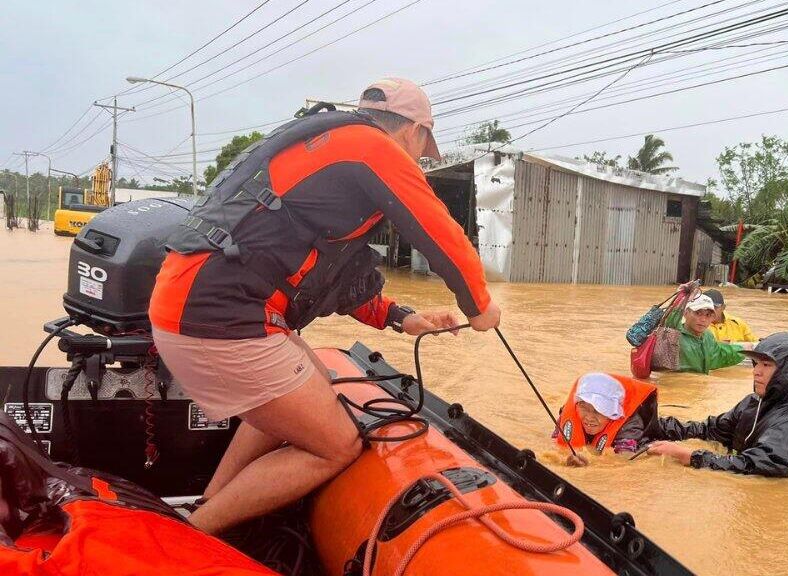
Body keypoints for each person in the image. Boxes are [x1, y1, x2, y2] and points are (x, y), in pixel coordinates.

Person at [148, 78, 501, 534]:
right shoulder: (372, 148)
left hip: (195, 306)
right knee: (336, 445)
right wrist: (480, 305)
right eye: (421, 147)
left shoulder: (329, 149)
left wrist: (400, 317)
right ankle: (193, 536)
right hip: (220, 316)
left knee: (311, 383)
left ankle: (210, 500)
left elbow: (329, 274)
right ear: (413, 132)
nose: (418, 160)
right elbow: (440, 232)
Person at [645, 332, 788, 477]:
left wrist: (689, 456)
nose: (756, 372)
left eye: (766, 365)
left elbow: (766, 465)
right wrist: (651, 423)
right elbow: (711, 430)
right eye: (756, 364)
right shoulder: (753, 403)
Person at [553, 372, 657, 464]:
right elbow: (554, 445)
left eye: (598, 410)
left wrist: (590, 464)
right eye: (584, 407)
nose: (589, 417)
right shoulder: (568, 412)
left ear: (612, 412)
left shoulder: (629, 426)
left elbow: (625, 460)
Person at [662, 293, 747, 373]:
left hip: (700, 385)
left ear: (713, 317)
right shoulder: (674, 334)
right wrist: (682, 298)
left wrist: (746, 351)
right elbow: (670, 318)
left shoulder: (708, 337)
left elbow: (720, 354)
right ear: (685, 313)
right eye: (698, 313)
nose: (703, 319)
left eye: (708, 315)